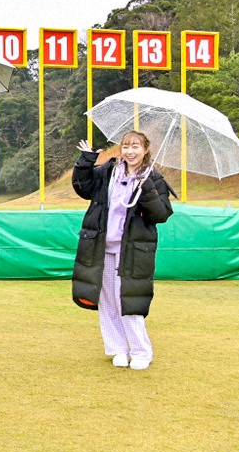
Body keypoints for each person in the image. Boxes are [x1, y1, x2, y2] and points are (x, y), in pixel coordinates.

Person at [71, 131, 174, 370]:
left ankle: (140, 352)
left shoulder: (153, 178)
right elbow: (83, 187)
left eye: (135, 146)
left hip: (133, 250)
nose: (130, 151)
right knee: (107, 301)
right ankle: (117, 349)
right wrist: (86, 160)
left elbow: (161, 214)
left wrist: (146, 188)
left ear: (145, 149)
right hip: (101, 247)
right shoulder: (108, 172)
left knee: (129, 301)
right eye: (126, 146)